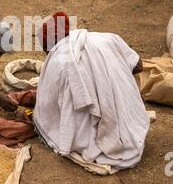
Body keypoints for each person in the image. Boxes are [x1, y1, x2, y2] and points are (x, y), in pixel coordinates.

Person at [33, 13, 149, 174]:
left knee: (67, 113)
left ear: (48, 44)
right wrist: (114, 82)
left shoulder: (56, 60)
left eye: (44, 47)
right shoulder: (108, 38)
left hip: (92, 128)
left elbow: (47, 106)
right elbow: (139, 66)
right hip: (130, 120)